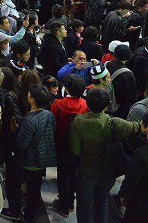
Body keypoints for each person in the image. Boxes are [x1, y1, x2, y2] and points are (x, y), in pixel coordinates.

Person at [69, 88, 142, 223]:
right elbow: (139, 128)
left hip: (86, 172)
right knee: (102, 204)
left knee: (83, 206)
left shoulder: (78, 122)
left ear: (87, 104)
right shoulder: (115, 123)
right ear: (107, 106)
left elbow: (76, 150)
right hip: (108, 171)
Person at [17, 84, 56, 222]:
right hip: (43, 160)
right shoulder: (49, 115)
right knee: (35, 190)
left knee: (25, 188)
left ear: (32, 99)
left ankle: (25, 214)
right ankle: (31, 214)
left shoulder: (29, 120)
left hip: (29, 161)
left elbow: (22, 144)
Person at [50, 74, 88, 217]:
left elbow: (53, 125)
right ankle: (71, 201)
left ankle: (63, 204)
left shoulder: (58, 104)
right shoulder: (85, 105)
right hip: (78, 146)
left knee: (63, 175)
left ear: (66, 89)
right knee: (74, 173)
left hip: (61, 145)